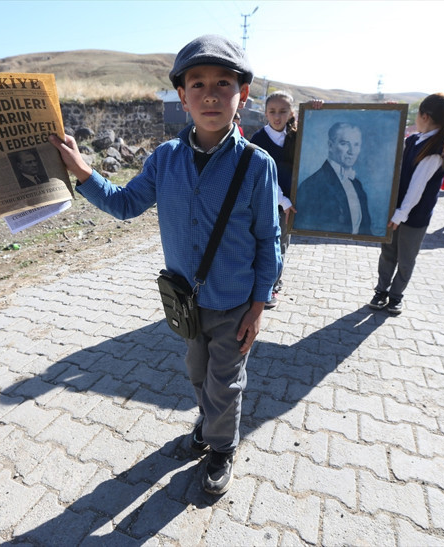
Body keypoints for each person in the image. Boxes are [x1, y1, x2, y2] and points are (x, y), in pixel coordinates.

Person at [50, 34, 281, 496]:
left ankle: (221, 448)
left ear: (243, 94)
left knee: (225, 383)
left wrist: (260, 304)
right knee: (198, 374)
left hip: (236, 302)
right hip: (186, 301)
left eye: (223, 83)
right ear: (182, 96)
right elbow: (125, 203)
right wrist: (82, 172)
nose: (210, 93)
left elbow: (269, 239)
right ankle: (208, 423)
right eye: (197, 84)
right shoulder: (165, 158)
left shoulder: (257, 165)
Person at [369, 93, 444, 315]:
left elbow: (416, 189)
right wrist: (391, 117)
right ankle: (381, 290)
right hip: (395, 212)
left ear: (425, 116)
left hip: (412, 217)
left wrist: (399, 215)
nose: (415, 119)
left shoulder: (435, 150)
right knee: (388, 253)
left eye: (416, 115)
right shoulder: (414, 140)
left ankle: (396, 296)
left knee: (406, 258)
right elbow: (392, 151)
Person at [249, 91, 322, 309]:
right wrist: (284, 201)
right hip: (264, 202)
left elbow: (319, 140)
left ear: (291, 113)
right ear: (265, 113)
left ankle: (272, 285)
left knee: (280, 245)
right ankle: (256, 283)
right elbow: (262, 176)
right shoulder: (258, 140)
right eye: (272, 112)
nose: (277, 117)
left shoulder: (297, 136)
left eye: (283, 111)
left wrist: (317, 112)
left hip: (289, 206)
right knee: (259, 243)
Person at [294, 121, 372, 234]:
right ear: (331, 146)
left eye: (356, 144)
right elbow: (305, 229)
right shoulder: (312, 185)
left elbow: (365, 229)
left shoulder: (357, 184)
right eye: (344, 143)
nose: (351, 151)